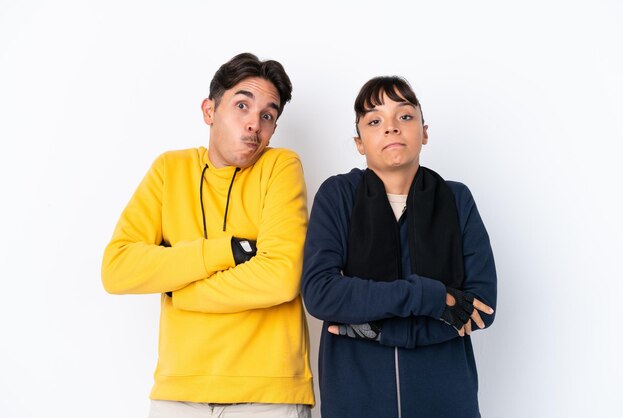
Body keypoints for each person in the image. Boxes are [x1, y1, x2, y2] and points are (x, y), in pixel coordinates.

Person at [102, 52, 313, 418]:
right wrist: (228, 251)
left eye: (267, 115)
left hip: (268, 393)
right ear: (209, 111)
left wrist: (178, 287)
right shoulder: (170, 169)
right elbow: (118, 269)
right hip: (177, 393)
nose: (254, 125)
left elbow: (280, 278)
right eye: (242, 106)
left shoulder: (281, 166)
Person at [301, 76, 497, 418]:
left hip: (446, 400)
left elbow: (480, 307)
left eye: (405, 116)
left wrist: (374, 330)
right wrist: (434, 298)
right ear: (359, 142)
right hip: (355, 400)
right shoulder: (338, 196)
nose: (391, 128)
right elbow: (321, 293)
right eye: (375, 121)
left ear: (424, 131)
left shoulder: (456, 199)